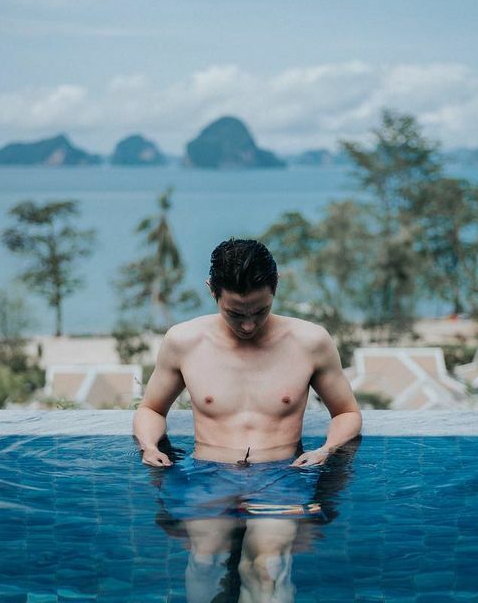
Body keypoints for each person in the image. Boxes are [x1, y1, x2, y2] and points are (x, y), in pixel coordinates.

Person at [133, 238, 362, 603]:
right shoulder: (184, 341)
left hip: (281, 474)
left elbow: (347, 413)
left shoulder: (310, 341)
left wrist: (327, 449)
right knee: (205, 559)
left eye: (260, 310)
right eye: (235, 314)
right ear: (212, 291)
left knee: (267, 565)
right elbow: (151, 409)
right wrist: (148, 446)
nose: (249, 325)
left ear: (276, 286)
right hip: (208, 473)